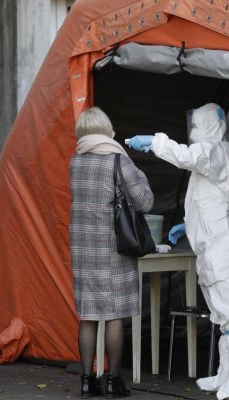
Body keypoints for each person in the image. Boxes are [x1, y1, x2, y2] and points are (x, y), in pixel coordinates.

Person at [127, 103, 229, 400]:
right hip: (213, 244)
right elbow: (207, 197)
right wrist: (187, 226)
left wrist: (157, 142)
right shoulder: (213, 157)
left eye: (197, 125)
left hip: (225, 244)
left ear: (211, 125)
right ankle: (228, 373)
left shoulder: (220, 151)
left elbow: (189, 157)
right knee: (221, 310)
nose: (192, 132)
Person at [69, 107, 153, 398]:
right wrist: (137, 169)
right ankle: (113, 380)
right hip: (113, 249)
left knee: (89, 315)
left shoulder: (75, 162)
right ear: (107, 129)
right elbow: (145, 202)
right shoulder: (118, 160)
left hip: (83, 249)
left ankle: (86, 380)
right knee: (115, 314)